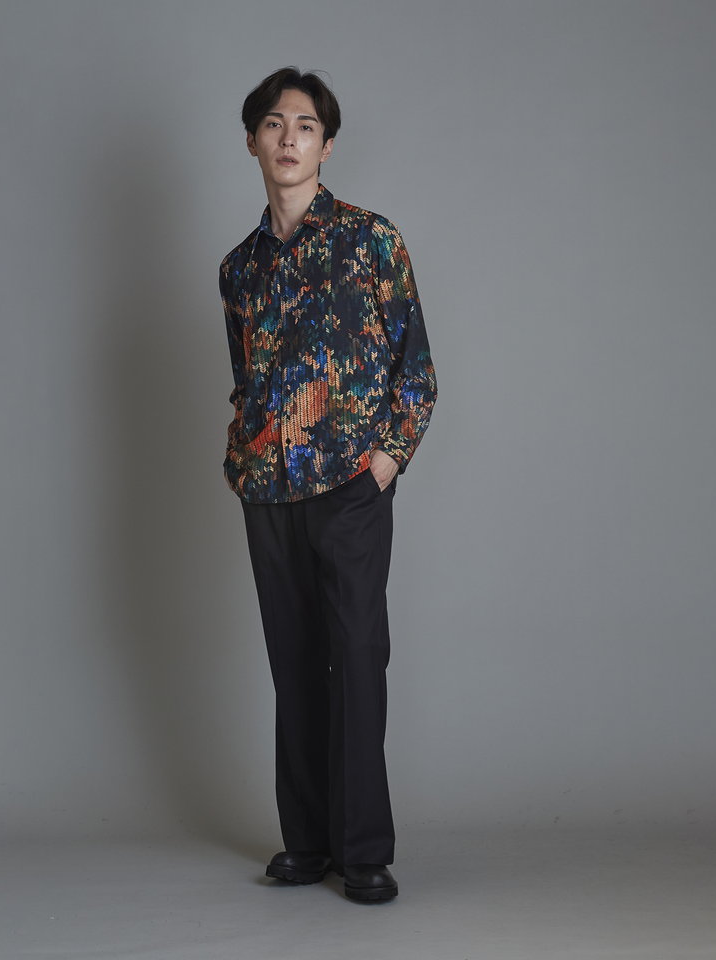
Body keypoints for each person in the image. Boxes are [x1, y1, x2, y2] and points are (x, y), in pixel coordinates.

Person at [219, 66, 437, 903]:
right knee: (295, 663)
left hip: (350, 485)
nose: (289, 138)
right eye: (274, 124)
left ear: (326, 145)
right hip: (268, 491)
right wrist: (242, 453)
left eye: (305, 126)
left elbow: (416, 372)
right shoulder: (239, 268)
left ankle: (363, 848)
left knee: (357, 655)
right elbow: (246, 378)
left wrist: (386, 461)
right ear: (252, 141)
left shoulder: (371, 240)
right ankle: (305, 842)